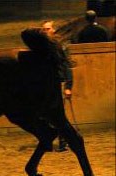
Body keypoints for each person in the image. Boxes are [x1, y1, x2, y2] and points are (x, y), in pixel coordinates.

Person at [42, 21, 73, 152]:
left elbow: (66, 67)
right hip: (46, 85)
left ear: (52, 30)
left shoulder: (60, 47)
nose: (45, 31)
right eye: (43, 29)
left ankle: (63, 141)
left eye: (47, 29)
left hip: (57, 84)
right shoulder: (41, 48)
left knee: (58, 115)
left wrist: (68, 86)